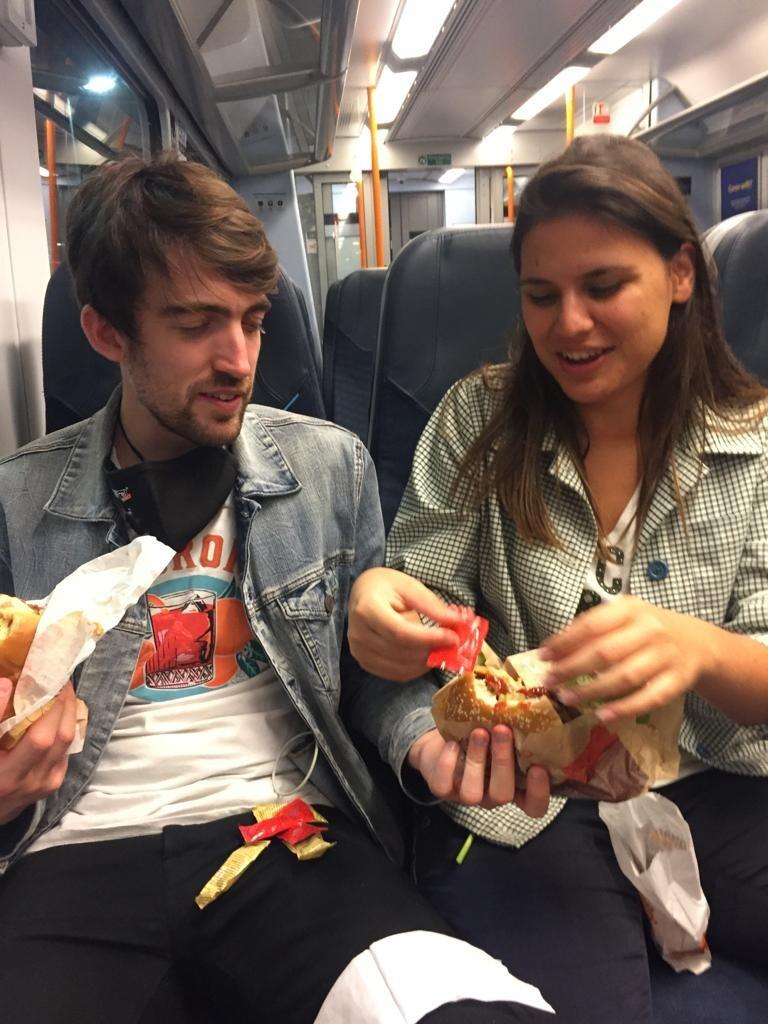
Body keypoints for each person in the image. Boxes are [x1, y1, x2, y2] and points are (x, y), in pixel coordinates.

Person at [0, 156, 555, 1024]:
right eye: (196, 325)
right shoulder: (17, 499)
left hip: (289, 837)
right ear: (107, 333)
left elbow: (370, 672)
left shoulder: (328, 465)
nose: (239, 360)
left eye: (254, 322)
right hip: (75, 849)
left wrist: (424, 742)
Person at [347, 134, 768, 1023]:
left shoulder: (759, 446)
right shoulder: (477, 421)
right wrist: (383, 625)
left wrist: (698, 652)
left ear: (681, 273)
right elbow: (407, 629)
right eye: (542, 296)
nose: (567, 324)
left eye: (603, 287)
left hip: (727, 789)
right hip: (525, 806)